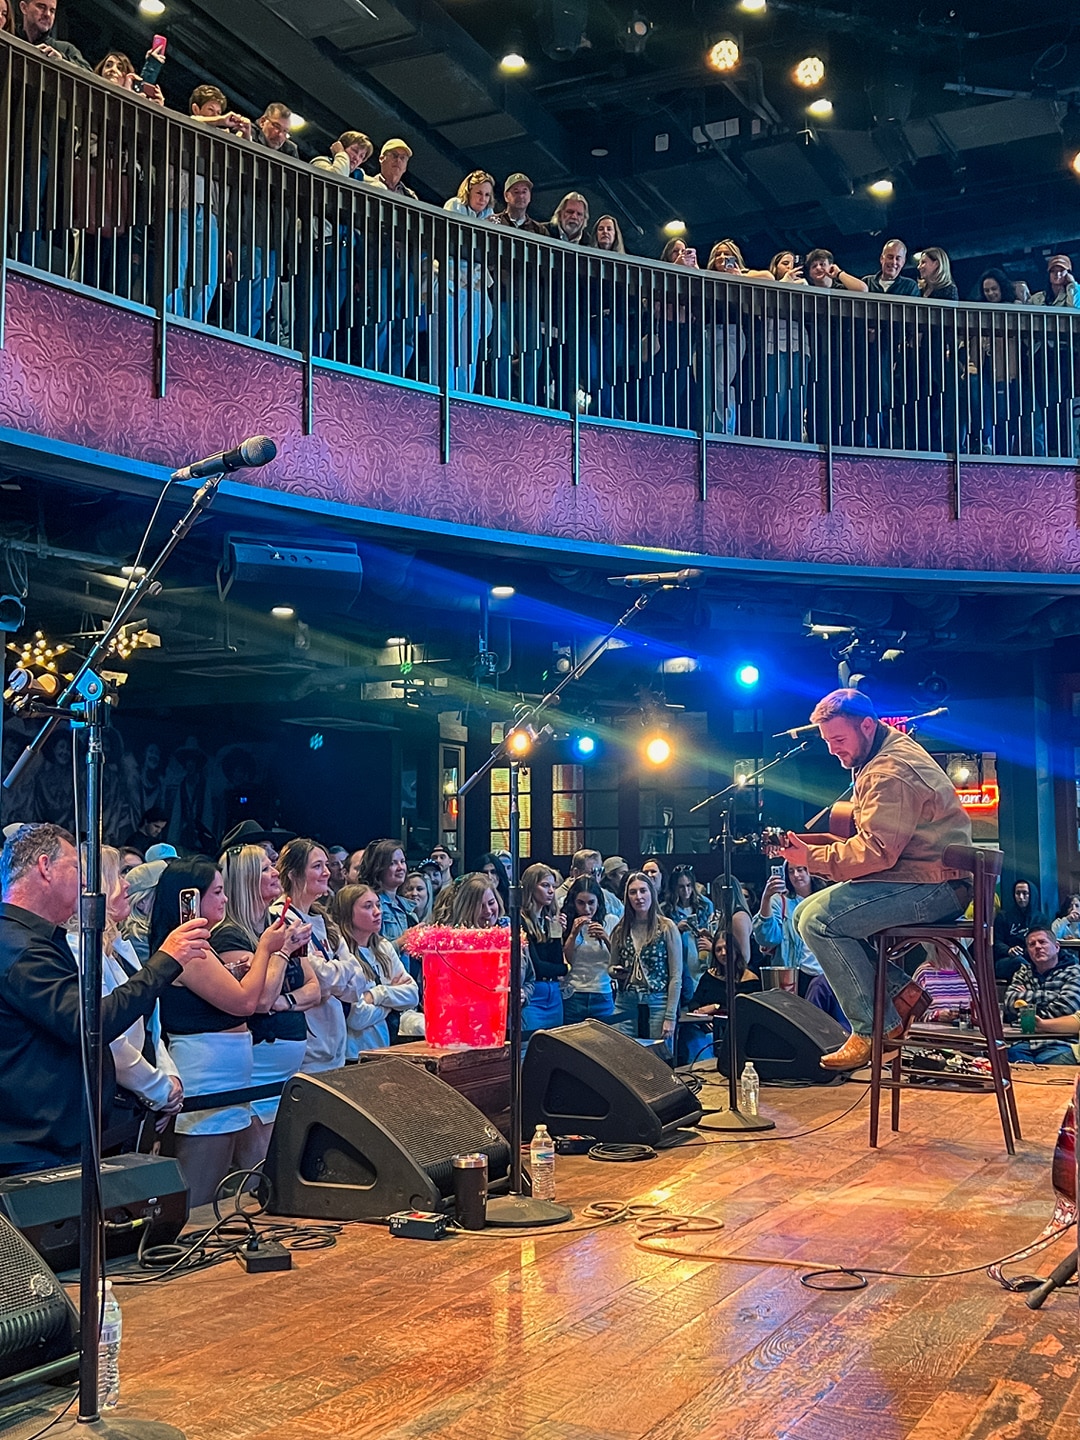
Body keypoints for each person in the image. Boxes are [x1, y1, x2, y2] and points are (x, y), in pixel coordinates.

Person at [0, 824, 207, 1176]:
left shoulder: (37, 940)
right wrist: (166, 960)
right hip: (33, 1150)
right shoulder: (20, 947)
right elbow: (91, 1024)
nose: (86, 883)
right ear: (45, 867)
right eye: (78, 869)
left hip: (55, 1143)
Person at [783, 689, 972, 1072]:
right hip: (925, 876)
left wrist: (812, 859)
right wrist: (813, 850)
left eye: (839, 739)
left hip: (935, 886)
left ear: (867, 726)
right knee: (805, 913)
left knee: (818, 921)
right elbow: (883, 845)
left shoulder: (890, 770)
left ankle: (875, 1029)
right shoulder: (882, 754)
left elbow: (876, 852)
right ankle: (902, 996)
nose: (834, 750)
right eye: (827, 741)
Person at [153, 857, 296, 1206]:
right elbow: (247, 1002)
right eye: (217, 892)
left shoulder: (202, 948)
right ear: (189, 899)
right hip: (207, 1077)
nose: (225, 899)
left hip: (225, 1076)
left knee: (233, 1184)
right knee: (200, 1196)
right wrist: (266, 949)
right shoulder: (190, 951)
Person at [215, 844, 319, 1167]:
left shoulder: (277, 926)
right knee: (259, 1172)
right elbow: (260, 1000)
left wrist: (285, 1002)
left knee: (286, 1167)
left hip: (286, 1075)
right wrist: (282, 952)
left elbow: (314, 989)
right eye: (264, 869)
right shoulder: (228, 936)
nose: (275, 873)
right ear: (245, 879)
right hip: (257, 1070)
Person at [91, 847, 183, 1151]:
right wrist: (159, 1089)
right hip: (111, 1105)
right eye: (117, 875)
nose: (127, 883)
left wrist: (171, 1076)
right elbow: (111, 1040)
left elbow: (151, 1027)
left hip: (141, 1098)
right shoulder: (82, 951)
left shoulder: (120, 946)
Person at [273, 838, 368, 1074]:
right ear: (294, 874)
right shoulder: (280, 918)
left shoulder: (325, 920)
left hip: (336, 1043)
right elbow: (319, 978)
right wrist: (334, 976)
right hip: (306, 1050)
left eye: (326, 865)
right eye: (317, 866)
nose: (326, 872)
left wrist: (331, 981)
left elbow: (359, 980)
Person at [332, 885, 420, 1057]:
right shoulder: (341, 955)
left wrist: (376, 995)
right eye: (367, 906)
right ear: (347, 913)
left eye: (378, 905)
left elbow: (413, 995)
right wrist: (393, 1004)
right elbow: (357, 1017)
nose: (377, 912)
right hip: (355, 1054)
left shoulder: (383, 947)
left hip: (386, 1049)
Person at [610, 870, 681, 1048]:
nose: (638, 897)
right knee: (622, 1055)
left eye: (643, 891)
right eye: (633, 892)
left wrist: (670, 1016)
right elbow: (610, 966)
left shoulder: (666, 927)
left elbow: (676, 975)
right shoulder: (621, 928)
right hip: (626, 1000)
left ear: (652, 893)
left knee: (657, 1058)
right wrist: (615, 972)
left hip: (657, 1000)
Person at [443, 170, 497, 392]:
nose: (482, 199)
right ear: (468, 191)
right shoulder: (455, 205)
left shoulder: (490, 215)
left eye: (486, 195)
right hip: (452, 276)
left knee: (470, 342)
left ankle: (465, 392)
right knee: (450, 339)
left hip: (475, 280)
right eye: (479, 193)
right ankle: (447, 387)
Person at [1003, 925, 1080, 1065]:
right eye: (1032, 944)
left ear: (1056, 947)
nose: (1037, 947)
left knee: (1049, 1063)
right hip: (1025, 1042)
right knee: (1007, 1060)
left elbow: (1066, 1008)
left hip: (1060, 1042)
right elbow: (1009, 1002)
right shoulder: (1023, 972)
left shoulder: (1074, 972)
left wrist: (1026, 1000)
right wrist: (1053, 996)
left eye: (1042, 942)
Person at [752, 860, 829, 997]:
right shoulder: (780, 901)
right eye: (791, 871)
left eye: (800, 869)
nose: (796, 875)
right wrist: (766, 898)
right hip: (794, 974)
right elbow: (767, 939)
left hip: (826, 973)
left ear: (810, 871)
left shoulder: (826, 898)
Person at [561, 877, 617, 1024]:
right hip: (574, 992)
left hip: (602, 991)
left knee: (602, 1044)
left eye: (591, 903)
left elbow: (618, 959)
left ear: (598, 901)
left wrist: (605, 938)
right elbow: (568, 960)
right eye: (581, 903)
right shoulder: (567, 922)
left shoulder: (611, 921)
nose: (586, 909)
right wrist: (573, 933)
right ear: (574, 903)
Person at [519, 863, 567, 1036]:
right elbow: (537, 966)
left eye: (553, 886)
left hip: (553, 992)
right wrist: (565, 969)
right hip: (534, 994)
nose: (551, 891)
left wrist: (557, 933)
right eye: (545, 885)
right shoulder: (520, 920)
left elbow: (556, 961)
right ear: (531, 887)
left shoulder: (549, 919)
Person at [356, 838, 415, 943]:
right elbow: (370, 950)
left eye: (402, 861)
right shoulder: (373, 905)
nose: (400, 867)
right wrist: (402, 941)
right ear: (378, 868)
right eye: (393, 863)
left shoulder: (407, 905)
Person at [994, 879, 1040, 981]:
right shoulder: (1003, 916)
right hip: (1006, 960)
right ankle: (1035, 981)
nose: (1021, 897)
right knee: (1018, 962)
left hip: (1032, 956)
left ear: (1031, 895)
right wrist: (1009, 950)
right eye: (1018, 893)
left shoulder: (1040, 919)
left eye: (1025, 893)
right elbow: (996, 942)